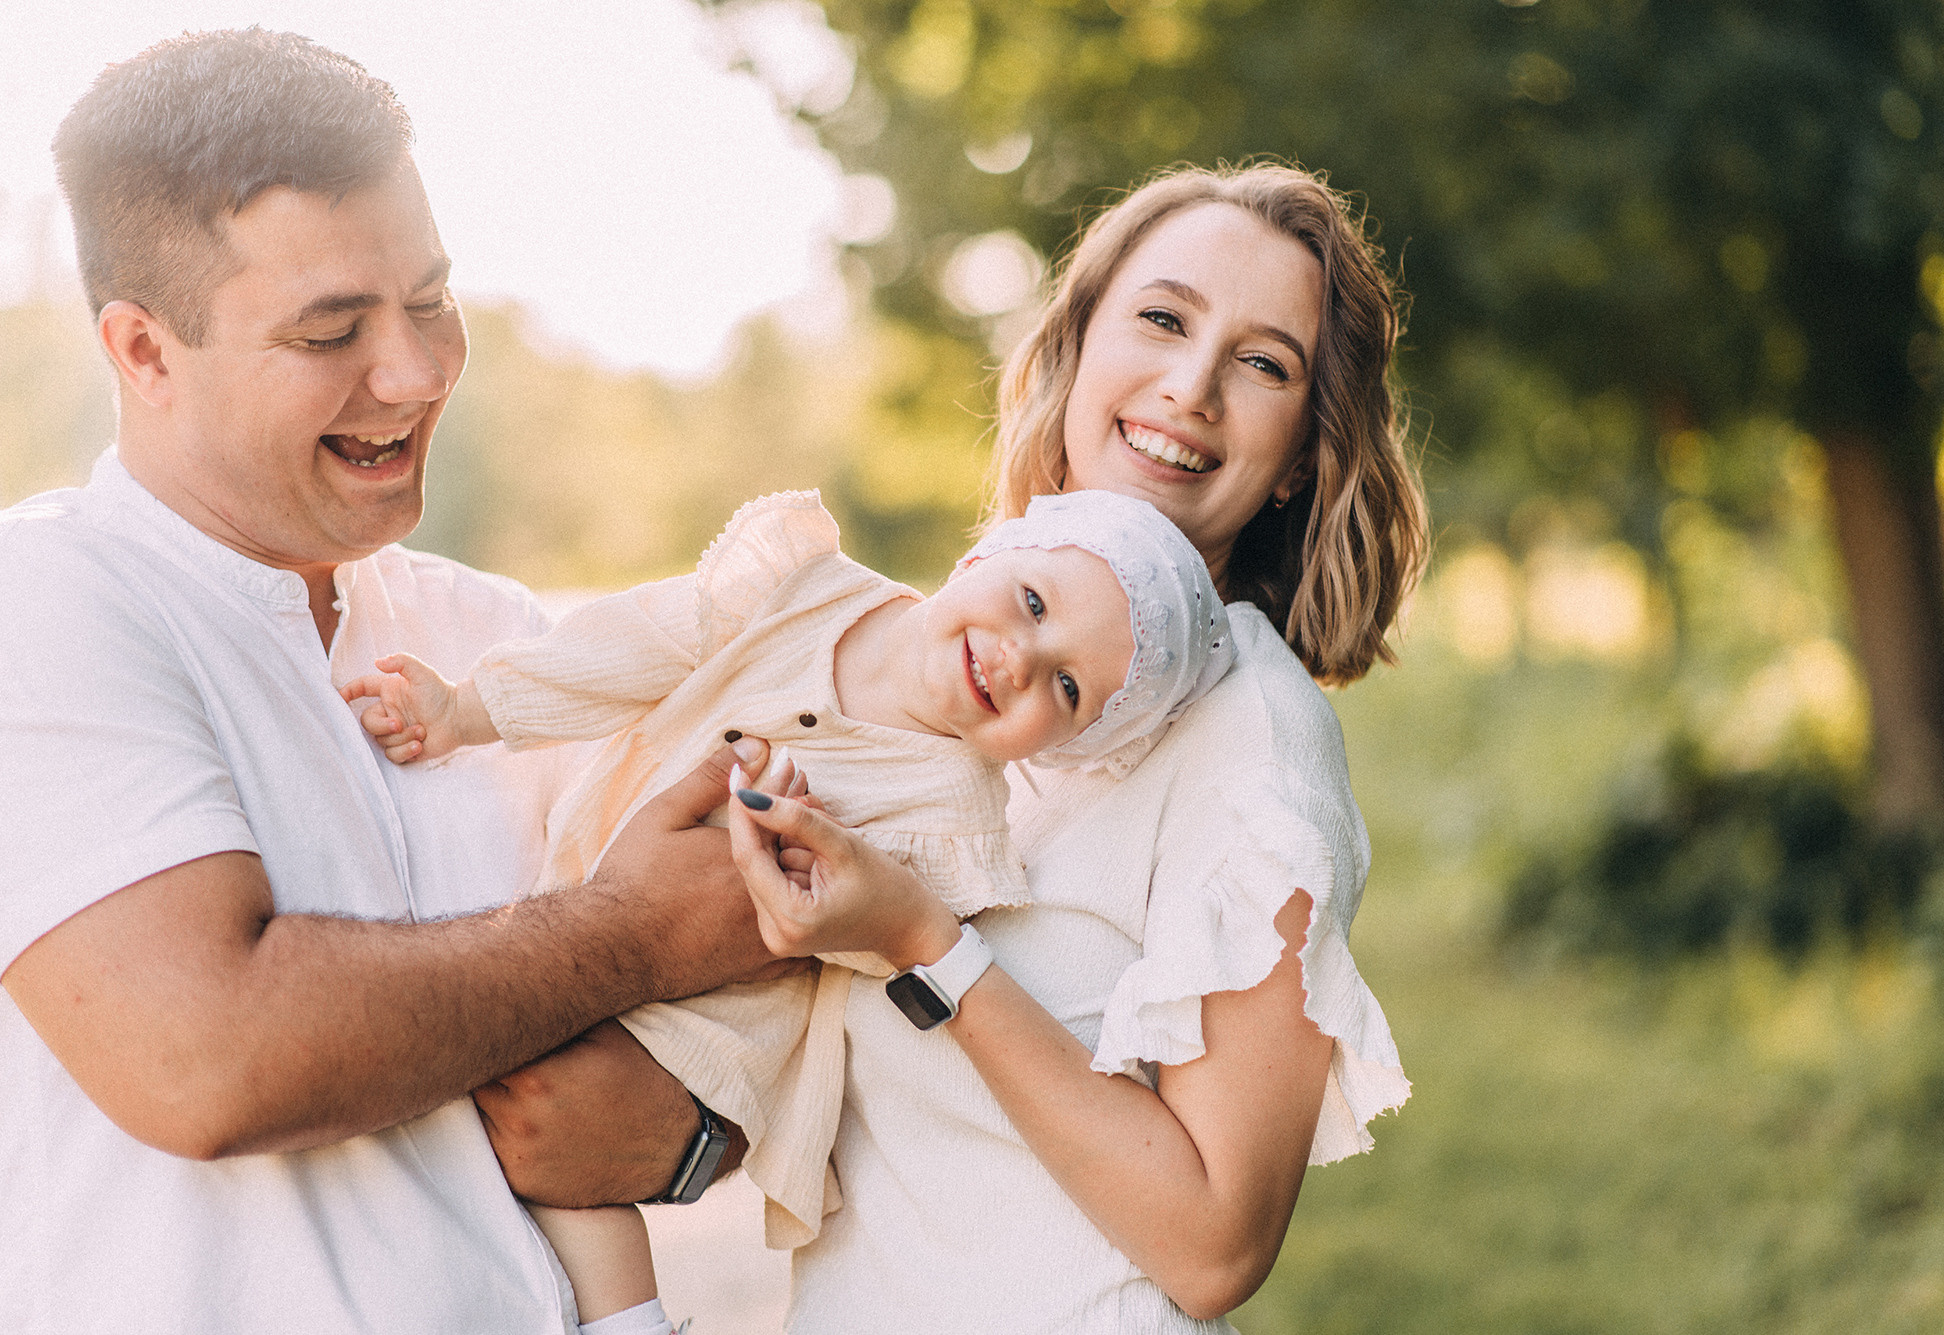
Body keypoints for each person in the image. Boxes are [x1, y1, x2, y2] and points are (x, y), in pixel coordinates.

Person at [0, 30, 781, 1335]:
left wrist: (696, 1135)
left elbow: (738, 1011)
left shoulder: (499, 635)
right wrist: (635, 931)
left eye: (428, 297)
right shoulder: (47, 603)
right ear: (142, 351)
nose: (416, 372)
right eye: (331, 330)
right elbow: (207, 1056)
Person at [706, 162, 1430, 1332]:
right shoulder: (967, 658)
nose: (1190, 386)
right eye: (1160, 318)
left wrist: (920, 943)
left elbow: (1212, 1248)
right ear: (1078, 344)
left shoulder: (1253, 750)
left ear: (1300, 453)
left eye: (1261, 364)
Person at [340, 485, 1235, 1324]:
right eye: (1034, 604)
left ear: (1065, 746)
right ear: (987, 556)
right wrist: (471, 706)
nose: (1017, 659)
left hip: (715, 1017)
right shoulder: (804, 586)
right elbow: (638, 641)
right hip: (585, 877)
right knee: (464, 1038)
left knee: (562, 1161)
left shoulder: (956, 826)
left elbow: (848, 946)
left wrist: (802, 862)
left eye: (1066, 688)